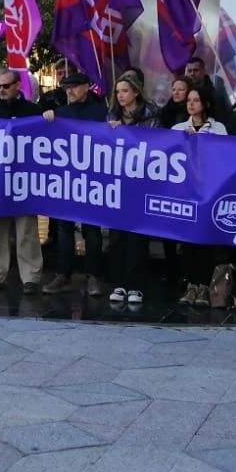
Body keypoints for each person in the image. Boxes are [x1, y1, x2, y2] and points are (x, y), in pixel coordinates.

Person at [41, 72, 109, 296]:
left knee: (92, 230)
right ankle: (63, 274)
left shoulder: (101, 112)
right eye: (66, 87)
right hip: (66, 180)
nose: (69, 91)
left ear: (86, 87)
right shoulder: (60, 113)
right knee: (64, 229)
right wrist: (47, 118)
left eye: (74, 87)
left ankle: (94, 275)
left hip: (92, 179)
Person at [0, 70, 43, 294]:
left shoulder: (33, 112)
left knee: (26, 229)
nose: (2, 90)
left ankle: (31, 277)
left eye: (7, 86)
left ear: (18, 86)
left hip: (24, 179)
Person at [171, 88, 232, 307]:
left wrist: (203, 140)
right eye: (189, 100)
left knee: (206, 239)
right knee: (188, 241)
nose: (191, 104)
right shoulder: (178, 128)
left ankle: (205, 286)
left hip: (210, 191)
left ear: (205, 103)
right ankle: (191, 285)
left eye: (196, 100)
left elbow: (224, 153)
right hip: (187, 192)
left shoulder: (218, 128)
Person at [106, 77, 157, 304]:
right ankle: (118, 283)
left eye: (125, 91)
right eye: (118, 92)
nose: (120, 96)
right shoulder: (112, 117)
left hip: (142, 184)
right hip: (118, 184)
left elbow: (156, 145)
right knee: (116, 237)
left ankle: (136, 285)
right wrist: (112, 132)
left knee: (137, 236)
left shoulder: (151, 116)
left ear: (135, 92)